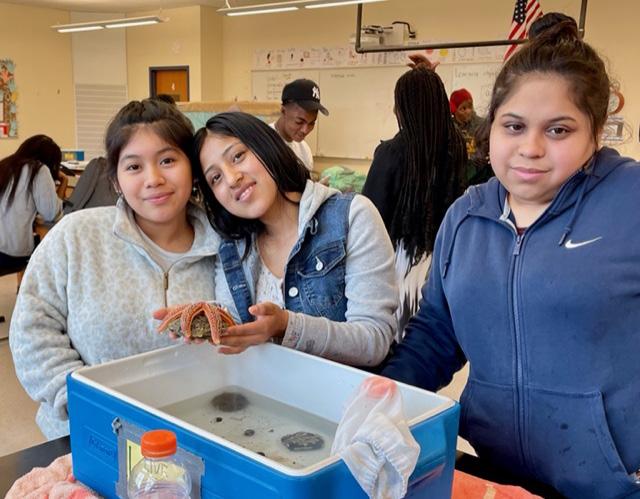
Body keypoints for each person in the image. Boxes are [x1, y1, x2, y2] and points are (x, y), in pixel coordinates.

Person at [382, 21, 640, 498]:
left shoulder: (630, 201)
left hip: (612, 484)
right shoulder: (465, 216)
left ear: (596, 131)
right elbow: (437, 333)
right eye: (514, 126)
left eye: (559, 130)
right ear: (492, 126)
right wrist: (382, 397)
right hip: (496, 474)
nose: (530, 148)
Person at [9, 99, 221, 439]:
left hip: (200, 434)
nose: (154, 179)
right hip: (90, 434)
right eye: (134, 166)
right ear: (117, 180)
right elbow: (32, 330)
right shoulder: (76, 236)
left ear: (192, 168)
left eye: (168, 160)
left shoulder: (227, 247)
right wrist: (81, 402)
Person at [192, 111, 397, 367]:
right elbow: (233, 325)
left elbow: (374, 340)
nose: (232, 179)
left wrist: (287, 326)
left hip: (344, 392)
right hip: (264, 392)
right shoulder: (233, 247)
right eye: (216, 178)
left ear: (265, 144)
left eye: (238, 156)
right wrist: (200, 320)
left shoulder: (352, 216)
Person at [361, 65, 466, 339]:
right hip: (441, 260)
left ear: (404, 107)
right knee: (426, 340)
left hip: (398, 261)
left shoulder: (391, 152)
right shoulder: (455, 146)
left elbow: (369, 215)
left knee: (392, 340)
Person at [0, 134, 67, 268]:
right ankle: (31, 281)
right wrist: (64, 181)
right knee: (54, 251)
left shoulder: (5, 165)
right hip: (10, 253)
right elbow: (51, 214)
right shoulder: (39, 169)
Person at [271, 78, 328, 171]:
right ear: (283, 111)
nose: (305, 130)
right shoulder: (262, 142)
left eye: (311, 123)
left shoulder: (304, 151)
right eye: (299, 122)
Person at [449, 88, 492, 186]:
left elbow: (485, 149)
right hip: (456, 176)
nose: (468, 111)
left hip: (478, 174)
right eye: (463, 108)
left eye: (470, 106)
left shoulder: (481, 125)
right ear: (454, 110)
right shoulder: (449, 128)